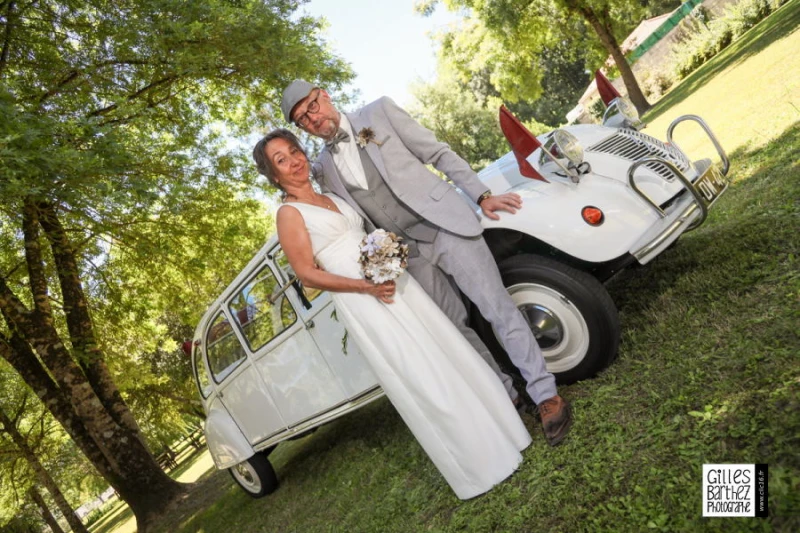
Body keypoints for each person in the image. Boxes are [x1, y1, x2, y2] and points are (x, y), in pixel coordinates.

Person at [278, 80, 572, 446]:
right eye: (302, 119)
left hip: (445, 225)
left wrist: (481, 195)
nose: (312, 118)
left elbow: (438, 153)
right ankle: (505, 395)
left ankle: (545, 395)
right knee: (456, 328)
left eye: (312, 106)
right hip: (408, 257)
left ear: (324, 94)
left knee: (497, 309)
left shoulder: (379, 112)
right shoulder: (321, 168)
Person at [253, 129, 532, 499]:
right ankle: (479, 460)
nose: (294, 161)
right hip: (364, 299)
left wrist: (387, 260)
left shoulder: (331, 195)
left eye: (294, 151)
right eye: (281, 160)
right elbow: (307, 274)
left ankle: (504, 430)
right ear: (273, 175)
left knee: (445, 351)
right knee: (421, 371)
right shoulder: (289, 214)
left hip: (396, 285)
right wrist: (366, 288)